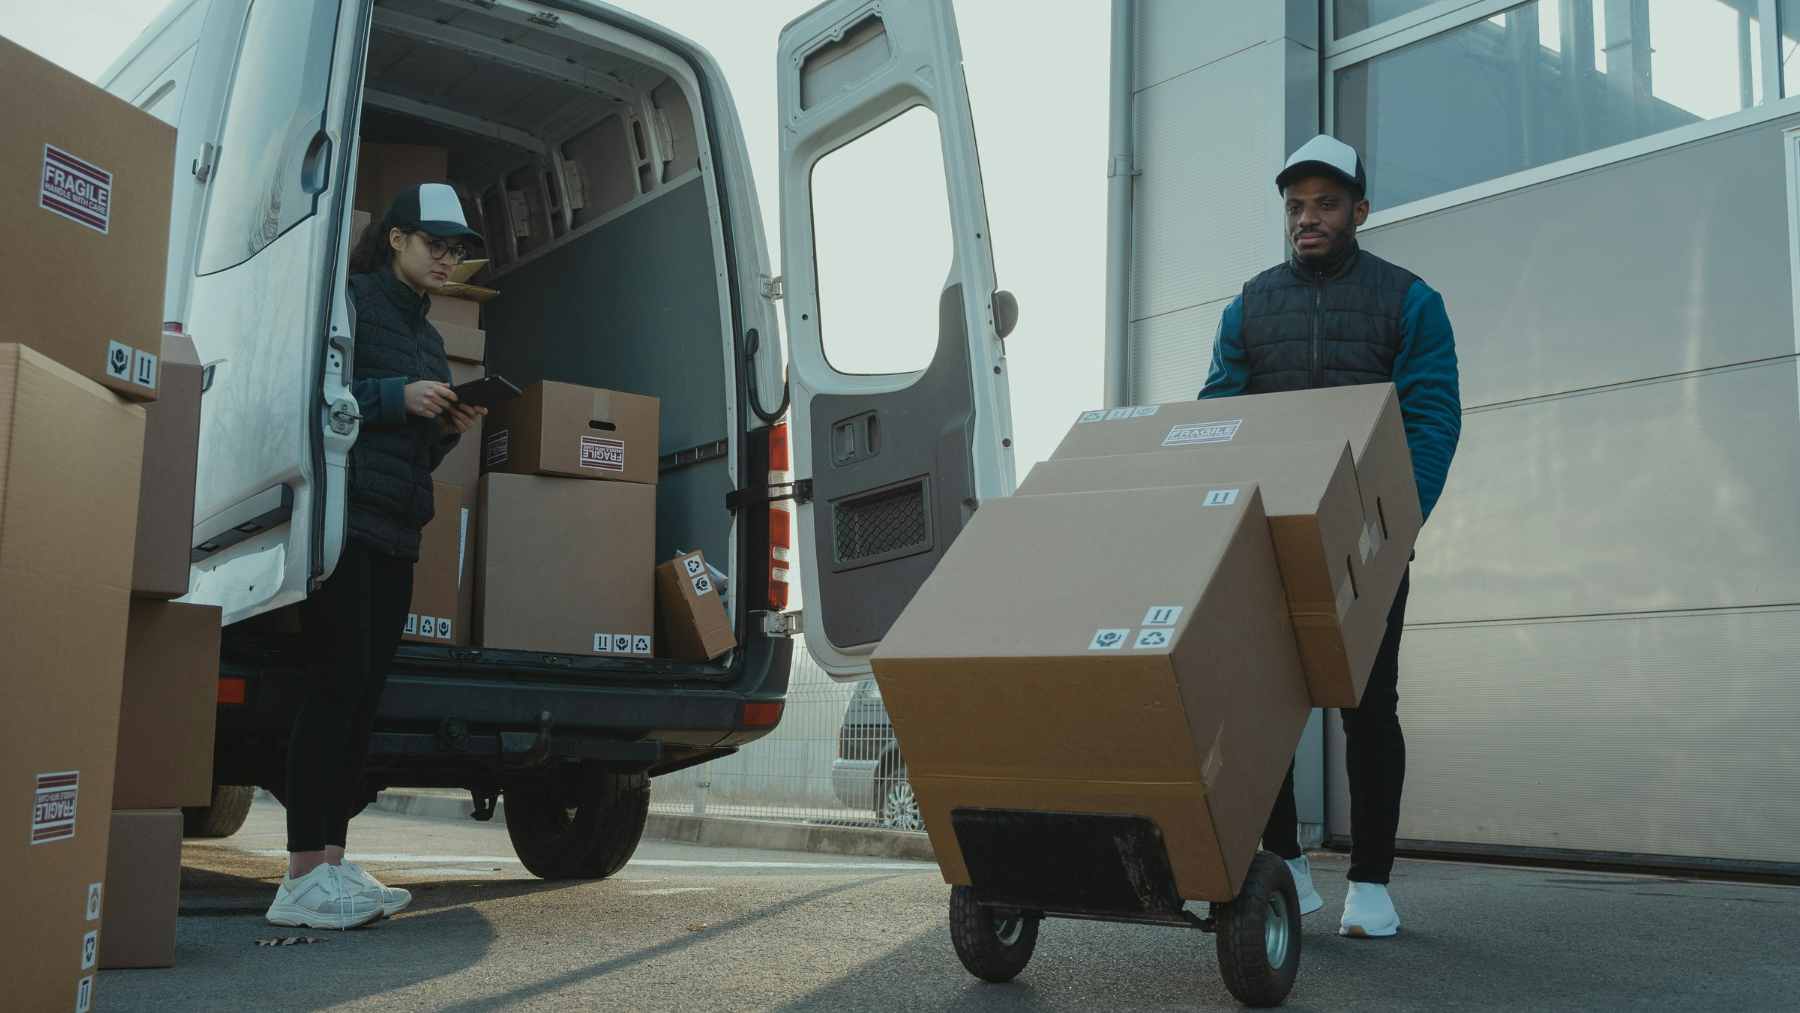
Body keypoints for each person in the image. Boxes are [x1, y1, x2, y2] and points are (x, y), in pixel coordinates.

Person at [1199, 135, 1461, 939]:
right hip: (1266, 541)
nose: (1307, 218)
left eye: (1324, 203)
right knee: (1262, 706)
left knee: (1366, 706)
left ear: (1360, 211)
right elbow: (1219, 412)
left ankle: (1372, 884)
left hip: (1367, 546)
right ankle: (1287, 864)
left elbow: (1431, 418)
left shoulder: (1409, 301)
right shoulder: (1250, 305)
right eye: (1295, 206)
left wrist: (1395, 527)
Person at [266, 183, 488, 930]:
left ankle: (331, 861)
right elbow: (312, 394)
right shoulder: (351, 302)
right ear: (395, 238)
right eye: (436, 244)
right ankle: (300, 874)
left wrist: (450, 421)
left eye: (456, 251)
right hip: (343, 519)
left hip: (398, 526)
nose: (447, 259)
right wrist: (398, 397)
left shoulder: (429, 337)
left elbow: (417, 447)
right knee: (333, 688)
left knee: (364, 696)